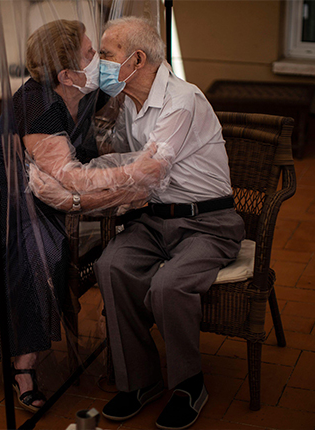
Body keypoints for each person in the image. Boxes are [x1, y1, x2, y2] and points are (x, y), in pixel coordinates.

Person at [0, 19, 165, 413]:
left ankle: (25, 365)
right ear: (65, 73)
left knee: (44, 259)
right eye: (91, 54)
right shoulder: (37, 107)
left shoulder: (82, 92)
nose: (98, 60)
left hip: (37, 202)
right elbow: (70, 177)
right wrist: (136, 173)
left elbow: (124, 83)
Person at [93, 17, 246, 430]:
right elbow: (120, 161)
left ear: (136, 59)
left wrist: (82, 192)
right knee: (110, 267)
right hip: (154, 221)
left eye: (106, 55)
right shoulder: (126, 101)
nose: (99, 63)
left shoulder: (183, 99)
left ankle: (189, 384)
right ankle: (140, 381)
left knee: (168, 285)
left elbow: (146, 170)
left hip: (208, 222)